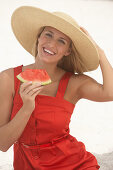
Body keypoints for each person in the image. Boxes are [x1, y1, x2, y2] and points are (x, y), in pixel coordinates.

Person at [0, 6, 113, 170]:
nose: (51, 44)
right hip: (27, 164)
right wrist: (27, 108)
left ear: (68, 51)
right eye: (48, 34)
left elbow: (110, 92)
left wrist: (100, 52)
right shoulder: (8, 79)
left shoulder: (74, 83)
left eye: (62, 41)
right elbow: (3, 144)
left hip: (74, 164)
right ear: (39, 37)